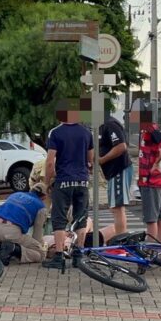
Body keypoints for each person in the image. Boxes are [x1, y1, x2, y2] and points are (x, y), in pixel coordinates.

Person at [42, 110, 94, 270]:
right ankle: (78, 254)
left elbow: (50, 162)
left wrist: (47, 181)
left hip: (63, 180)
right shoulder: (86, 133)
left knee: (59, 218)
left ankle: (59, 256)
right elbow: (90, 158)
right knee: (81, 217)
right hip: (82, 180)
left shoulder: (56, 133)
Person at [0, 183, 48, 265]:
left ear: (31, 190)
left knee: (12, 236)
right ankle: (14, 249)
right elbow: (37, 234)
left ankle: (2, 247)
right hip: (10, 232)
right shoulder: (41, 207)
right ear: (44, 197)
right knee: (41, 254)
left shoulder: (16, 194)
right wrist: (39, 245)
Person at [138, 111, 161, 244]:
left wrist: (157, 161)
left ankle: (150, 251)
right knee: (160, 217)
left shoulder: (151, 130)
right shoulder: (147, 130)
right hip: (152, 181)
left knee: (151, 220)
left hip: (150, 180)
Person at [98, 115, 133, 241]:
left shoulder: (110, 124)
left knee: (117, 208)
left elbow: (121, 146)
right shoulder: (101, 125)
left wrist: (102, 160)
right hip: (112, 172)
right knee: (115, 208)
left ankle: (121, 242)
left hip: (119, 169)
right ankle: (120, 239)